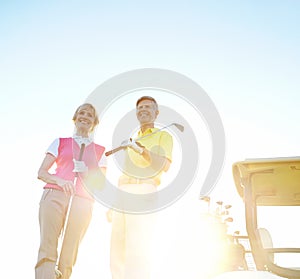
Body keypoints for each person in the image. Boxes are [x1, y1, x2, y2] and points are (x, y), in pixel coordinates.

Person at [35, 103, 106, 279]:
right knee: (48, 248)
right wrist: (60, 180)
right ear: (75, 119)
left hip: (83, 201)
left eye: (90, 115)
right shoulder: (60, 142)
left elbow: (100, 184)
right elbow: (41, 172)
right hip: (54, 195)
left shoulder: (100, 151)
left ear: (94, 123)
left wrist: (86, 172)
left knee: (69, 255)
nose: (85, 116)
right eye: (81, 113)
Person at [109, 96, 173, 279]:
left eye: (148, 107)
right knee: (117, 249)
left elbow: (164, 165)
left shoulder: (163, 135)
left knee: (137, 247)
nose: (143, 109)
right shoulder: (132, 140)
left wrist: (141, 150)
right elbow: (123, 176)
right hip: (123, 193)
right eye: (140, 107)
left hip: (144, 190)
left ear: (156, 112)